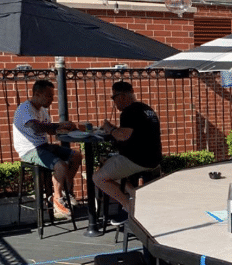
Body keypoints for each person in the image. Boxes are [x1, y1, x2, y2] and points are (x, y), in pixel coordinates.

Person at [94, 80, 162, 224]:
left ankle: (129, 208)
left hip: (137, 159)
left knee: (98, 178)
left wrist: (109, 128)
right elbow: (132, 132)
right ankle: (133, 193)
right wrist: (114, 129)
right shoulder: (146, 109)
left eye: (114, 98)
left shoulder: (129, 112)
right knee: (107, 164)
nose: (114, 102)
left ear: (122, 96)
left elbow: (122, 136)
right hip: (154, 158)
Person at [12, 79, 82, 218]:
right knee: (60, 165)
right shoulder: (25, 109)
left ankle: (66, 191)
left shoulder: (43, 110)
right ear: (37, 94)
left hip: (44, 146)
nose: (52, 99)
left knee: (76, 156)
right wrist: (58, 126)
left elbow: (49, 130)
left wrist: (65, 127)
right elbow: (36, 127)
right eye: (49, 96)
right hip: (30, 150)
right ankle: (57, 198)